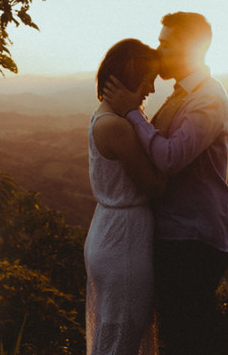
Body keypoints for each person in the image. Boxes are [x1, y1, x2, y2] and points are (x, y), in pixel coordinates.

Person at [102, 12, 228, 355]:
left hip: (194, 240)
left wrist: (132, 112)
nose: (158, 50)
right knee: (176, 337)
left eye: (166, 44)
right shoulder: (180, 94)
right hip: (174, 236)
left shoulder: (208, 99)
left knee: (188, 340)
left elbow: (170, 157)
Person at [85, 38, 167, 355]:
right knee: (121, 340)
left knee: (116, 335)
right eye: (149, 79)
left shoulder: (107, 118)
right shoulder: (116, 126)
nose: (152, 89)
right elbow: (156, 185)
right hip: (123, 242)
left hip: (112, 233)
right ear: (132, 76)